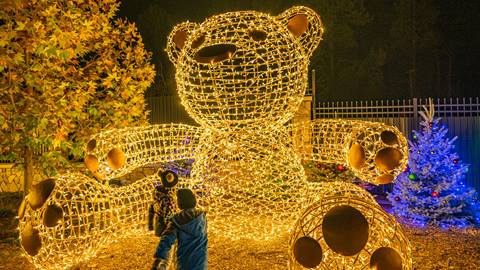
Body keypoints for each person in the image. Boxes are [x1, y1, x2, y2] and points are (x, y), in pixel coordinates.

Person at [151, 188, 208, 270]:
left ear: (180, 202)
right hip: (201, 264)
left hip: (184, 263)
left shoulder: (176, 221)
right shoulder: (202, 217)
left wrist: (159, 259)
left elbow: (166, 241)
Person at [148, 170, 178, 236]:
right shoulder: (162, 192)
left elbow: (151, 210)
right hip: (162, 218)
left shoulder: (172, 192)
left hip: (167, 218)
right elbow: (151, 209)